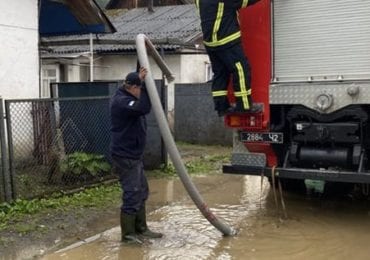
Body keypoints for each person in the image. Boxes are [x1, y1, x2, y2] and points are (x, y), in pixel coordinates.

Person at [110, 67, 163, 244]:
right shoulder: (122, 101)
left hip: (134, 155)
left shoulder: (128, 94)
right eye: (139, 88)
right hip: (125, 156)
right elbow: (144, 108)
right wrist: (147, 86)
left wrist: (139, 77)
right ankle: (128, 235)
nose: (140, 92)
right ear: (133, 88)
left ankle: (141, 229)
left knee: (141, 191)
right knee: (132, 193)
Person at [195, 0, 263, 116]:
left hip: (211, 43)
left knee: (220, 73)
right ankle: (244, 106)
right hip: (227, 40)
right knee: (241, 70)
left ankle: (221, 107)